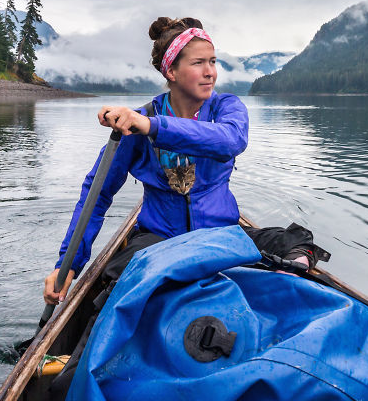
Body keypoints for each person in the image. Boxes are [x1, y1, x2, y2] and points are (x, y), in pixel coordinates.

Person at [43, 17, 249, 305]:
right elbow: (98, 193)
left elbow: (232, 140)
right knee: (110, 297)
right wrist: (68, 264)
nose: (210, 73)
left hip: (221, 237)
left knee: (288, 255)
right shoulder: (136, 124)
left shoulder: (224, 107)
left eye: (213, 62)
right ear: (172, 71)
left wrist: (153, 127)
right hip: (159, 240)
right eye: (198, 63)